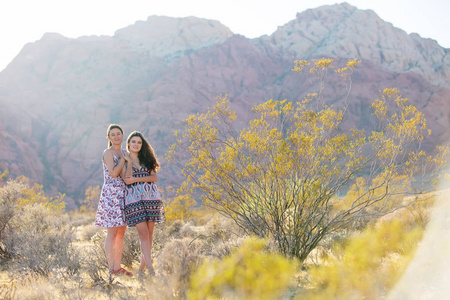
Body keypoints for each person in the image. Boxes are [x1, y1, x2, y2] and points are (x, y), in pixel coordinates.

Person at [123, 131, 165, 276]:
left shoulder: (147, 159)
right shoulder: (124, 159)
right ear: (128, 143)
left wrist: (136, 180)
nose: (136, 144)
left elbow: (154, 178)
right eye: (133, 142)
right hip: (133, 199)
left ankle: (142, 267)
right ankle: (151, 269)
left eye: (139, 142)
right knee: (143, 234)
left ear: (142, 145)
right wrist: (129, 162)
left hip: (151, 197)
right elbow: (127, 178)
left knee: (149, 234)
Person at [94, 124, 132, 276]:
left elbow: (126, 175)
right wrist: (123, 160)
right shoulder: (108, 153)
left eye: (119, 133)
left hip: (123, 193)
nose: (116, 136)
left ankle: (118, 266)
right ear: (109, 138)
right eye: (113, 134)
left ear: (122, 135)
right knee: (112, 232)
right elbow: (113, 173)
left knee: (121, 232)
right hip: (111, 194)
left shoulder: (124, 152)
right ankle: (111, 268)